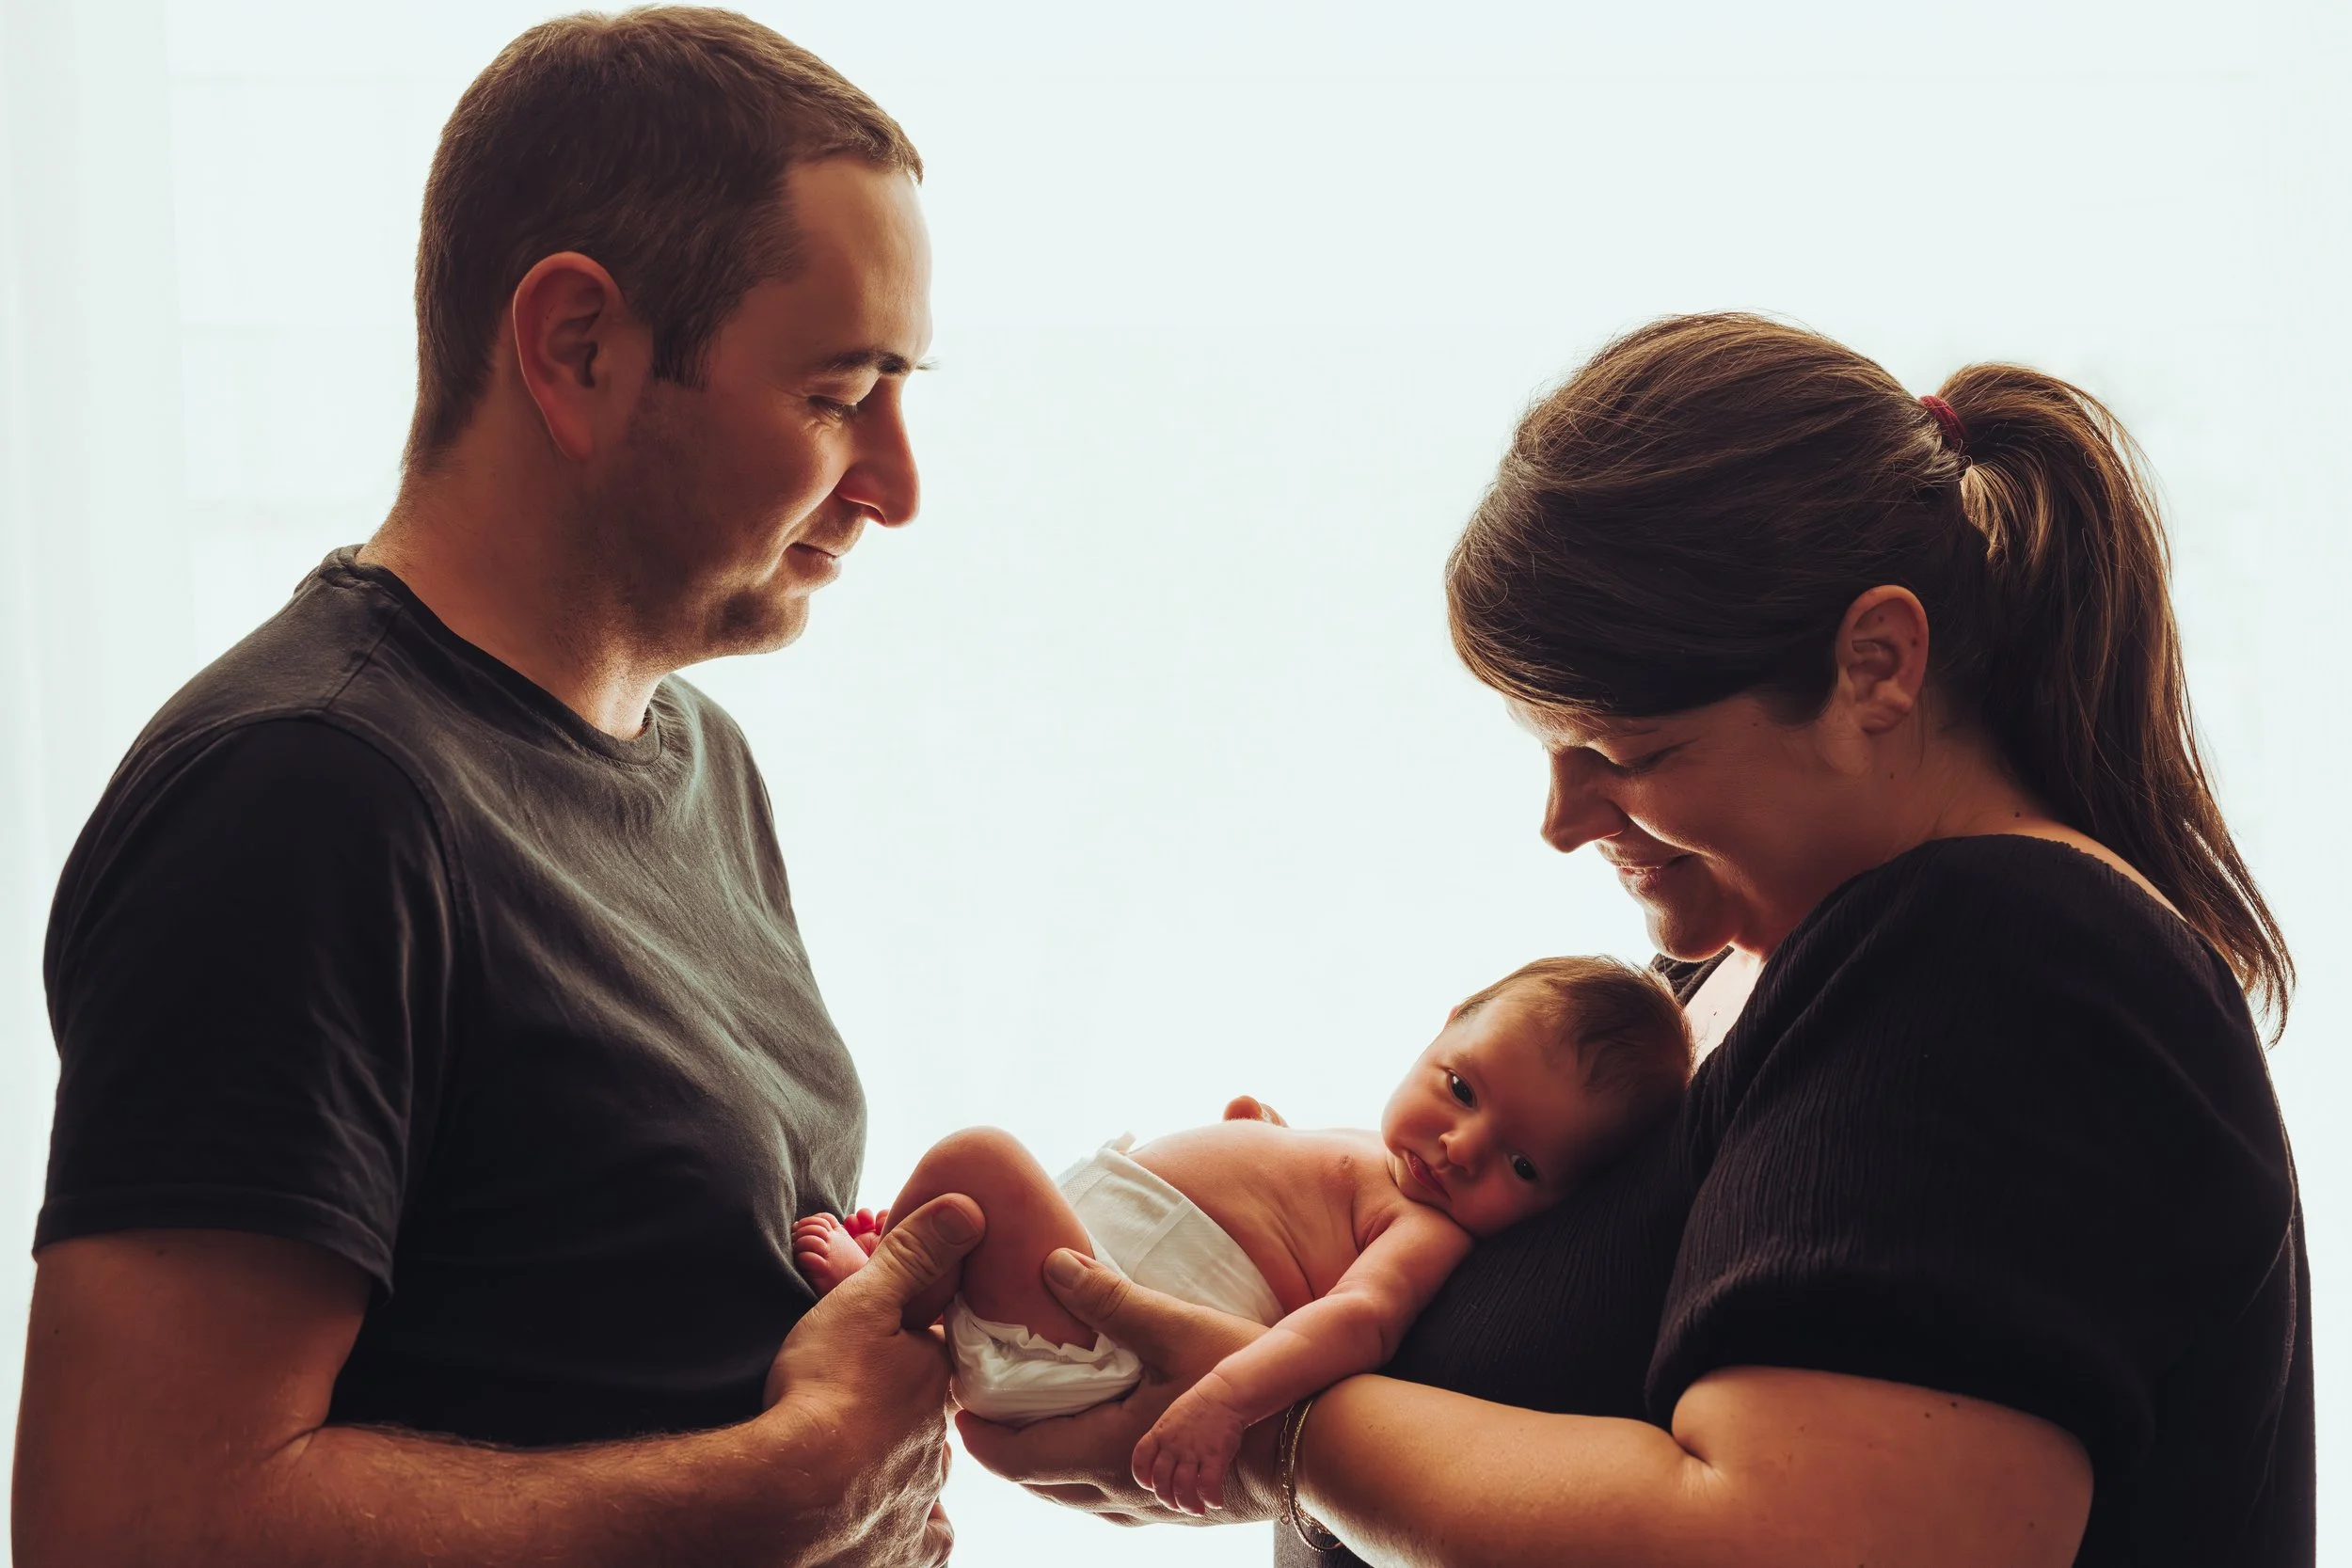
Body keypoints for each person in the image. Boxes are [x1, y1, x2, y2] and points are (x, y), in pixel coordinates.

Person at [959, 313, 2312, 1567]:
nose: (1563, 821)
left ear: (1878, 666)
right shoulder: (1706, 999)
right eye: (1554, 747)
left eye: (1629, 749)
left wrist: (1283, 1429)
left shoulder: (2008, 957)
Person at [14, 11, 983, 1567]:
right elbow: (129, 1525)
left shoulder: (693, 758)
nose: (897, 483)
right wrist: (783, 1493)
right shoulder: (304, 797)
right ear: (578, 348)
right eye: (837, 394)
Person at [795, 957, 1692, 1513]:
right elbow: (1290, 1217)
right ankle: (931, 1308)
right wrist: (1257, 1140)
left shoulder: (1425, 1232)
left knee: (978, 1156)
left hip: (1118, 1351)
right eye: (1461, 1089)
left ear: (1565, 1200)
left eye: (1522, 1165)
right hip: (1089, 1300)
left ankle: (887, 1299)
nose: (1460, 1148)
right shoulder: (1380, 1165)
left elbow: (1355, 1321)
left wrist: (1224, 1402)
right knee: (981, 1201)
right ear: (1446, 1023)